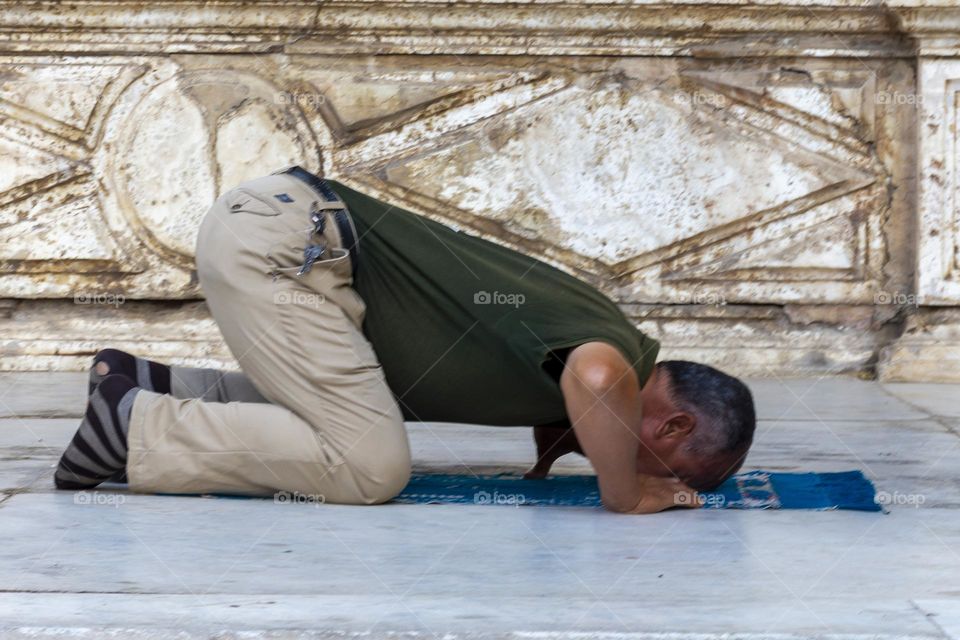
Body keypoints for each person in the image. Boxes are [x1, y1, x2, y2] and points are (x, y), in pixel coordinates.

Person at [54, 166, 755, 514]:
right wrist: (626, 492)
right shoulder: (620, 361)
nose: (670, 486)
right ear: (675, 422)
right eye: (680, 473)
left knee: (360, 404)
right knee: (371, 465)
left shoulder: (601, 332)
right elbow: (598, 385)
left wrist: (560, 437)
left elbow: (558, 382)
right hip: (292, 247)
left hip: (283, 228)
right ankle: (131, 430)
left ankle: (153, 386)